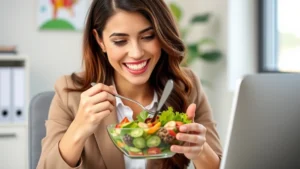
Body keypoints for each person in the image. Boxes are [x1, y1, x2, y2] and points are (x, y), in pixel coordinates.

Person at [36, 0, 222, 169]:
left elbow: (221, 164)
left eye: (148, 37)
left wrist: (200, 149)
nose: (136, 53)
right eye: (120, 41)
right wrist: (80, 126)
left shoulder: (186, 86)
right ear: (100, 40)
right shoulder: (69, 92)